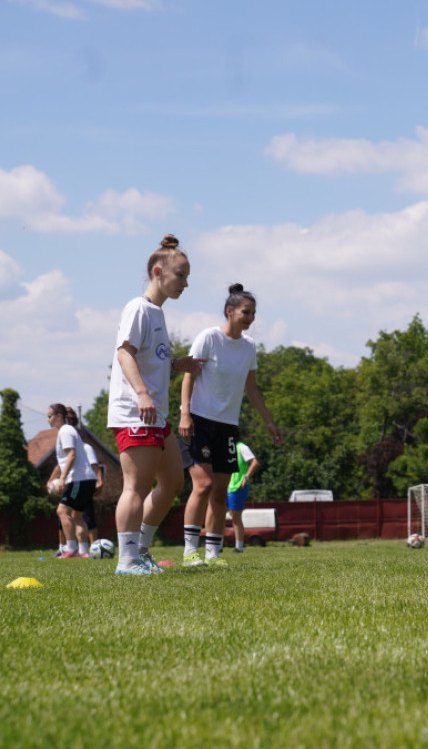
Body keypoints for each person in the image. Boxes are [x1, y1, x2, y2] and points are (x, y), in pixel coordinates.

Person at [108, 235, 205, 576]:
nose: (186, 282)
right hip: (137, 412)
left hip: (156, 415)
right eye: (181, 275)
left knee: (173, 483)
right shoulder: (138, 307)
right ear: (158, 271)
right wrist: (142, 394)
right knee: (137, 486)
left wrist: (177, 363)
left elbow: (149, 358)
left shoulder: (157, 314)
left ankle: (141, 552)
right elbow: (124, 352)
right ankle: (127, 561)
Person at [180, 284, 282, 567]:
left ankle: (213, 554)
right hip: (199, 420)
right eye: (246, 312)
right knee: (203, 484)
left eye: (253, 313)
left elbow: (252, 388)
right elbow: (188, 376)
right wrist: (184, 413)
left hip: (227, 425)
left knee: (220, 491)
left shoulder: (249, 347)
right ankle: (190, 551)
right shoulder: (209, 338)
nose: (250, 318)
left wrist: (270, 423)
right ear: (230, 311)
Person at [47, 403, 97, 559]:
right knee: (77, 516)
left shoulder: (65, 431)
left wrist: (61, 479)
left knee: (62, 511)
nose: (48, 420)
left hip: (78, 479)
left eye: (50, 416)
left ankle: (71, 549)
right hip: (87, 479)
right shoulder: (69, 431)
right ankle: (83, 552)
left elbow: (71, 455)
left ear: (59, 416)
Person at [222, 441, 259, 553]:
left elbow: (255, 463)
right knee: (218, 516)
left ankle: (239, 547)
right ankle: (217, 546)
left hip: (237, 487)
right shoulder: (221, 446)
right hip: (224, 486)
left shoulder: (241, 447)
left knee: (235, 517)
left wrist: (246, 478)